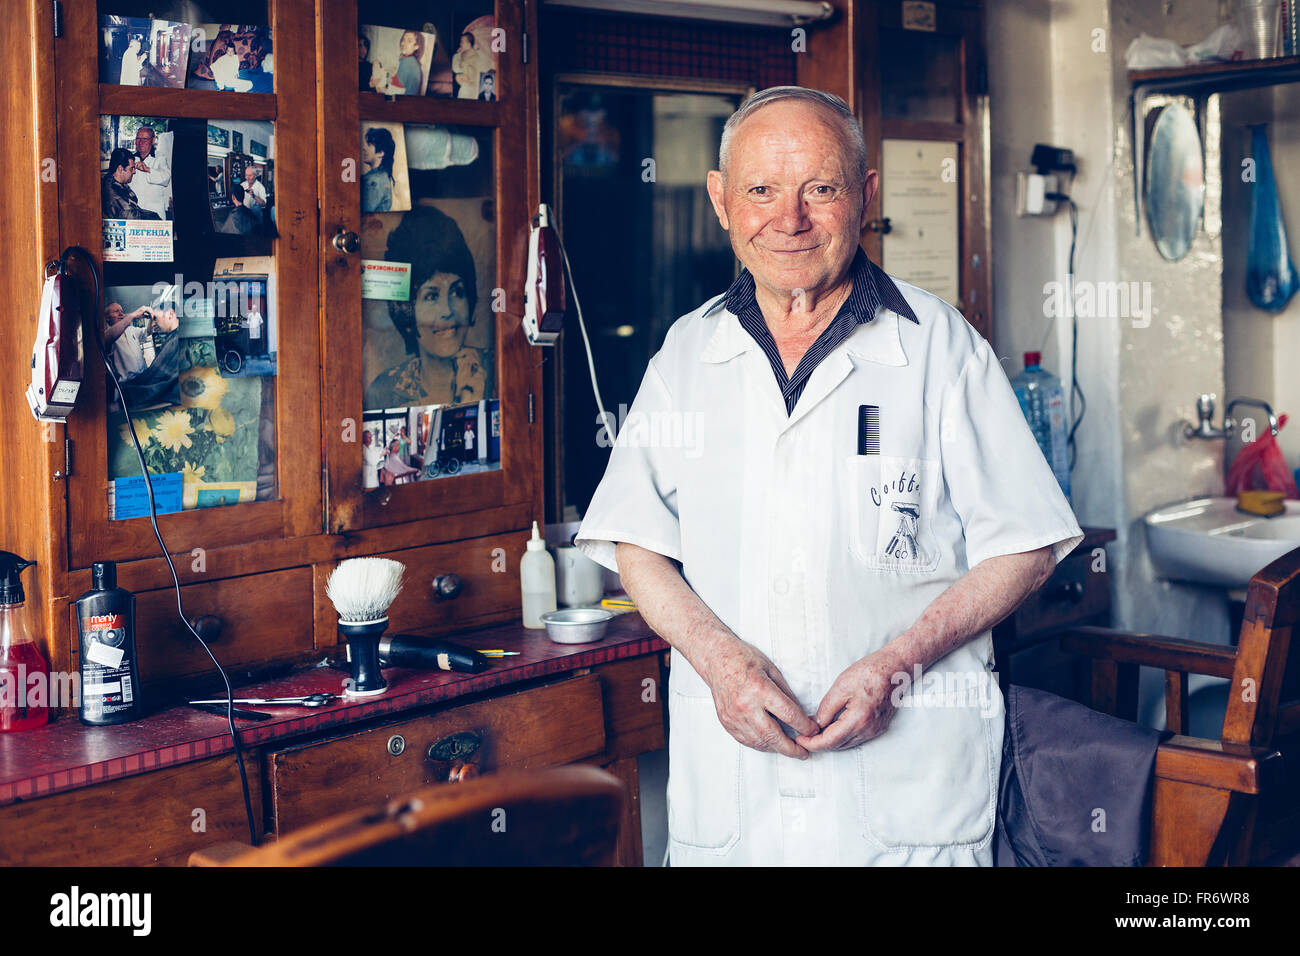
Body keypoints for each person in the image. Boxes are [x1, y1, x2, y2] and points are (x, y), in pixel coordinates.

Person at [574, 87, 1084, 866]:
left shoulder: (941, 348)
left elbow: (1027, 547)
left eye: (820, 188)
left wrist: (897, 664)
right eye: (760, 190)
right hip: (738, 792)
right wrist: (721, 663)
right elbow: (635, 544)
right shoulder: (686, 353)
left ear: (866, 195)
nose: (790, 219)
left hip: (909, 785)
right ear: (721, 200)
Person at [365, 206, 490, 409]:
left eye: (457, 292)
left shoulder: (499, 371)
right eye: (431, 296)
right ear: (407, 314)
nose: (447, 311)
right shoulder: (385, 391)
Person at [101, 148, 159, 221]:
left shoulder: (119, 184)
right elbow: (130, 216)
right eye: (131, 168)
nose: (134, 172)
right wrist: (154, 217)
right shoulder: (111, 189)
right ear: (120, 169)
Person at [129, 126, 171, 220]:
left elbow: (166, 178)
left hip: (155, 213)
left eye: (145, 138)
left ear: (153, 140)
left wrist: (148, 169)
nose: (141, 142)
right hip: (134, 214)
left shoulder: (160, 158)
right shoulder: (130, 159)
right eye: (138, 138)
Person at [361, 126, 396, 213]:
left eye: (369, 145)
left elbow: (362, 214)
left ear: (381, 153)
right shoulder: (381, 176)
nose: (364, 148)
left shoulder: (374, 181)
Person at [394, 30, 424, 96]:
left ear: (416, 46)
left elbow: (395, 92)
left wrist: (379, 87)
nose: (403, 43)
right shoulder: (410, 60)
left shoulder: (407, 62)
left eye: (409, 41)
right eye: (403, 40)